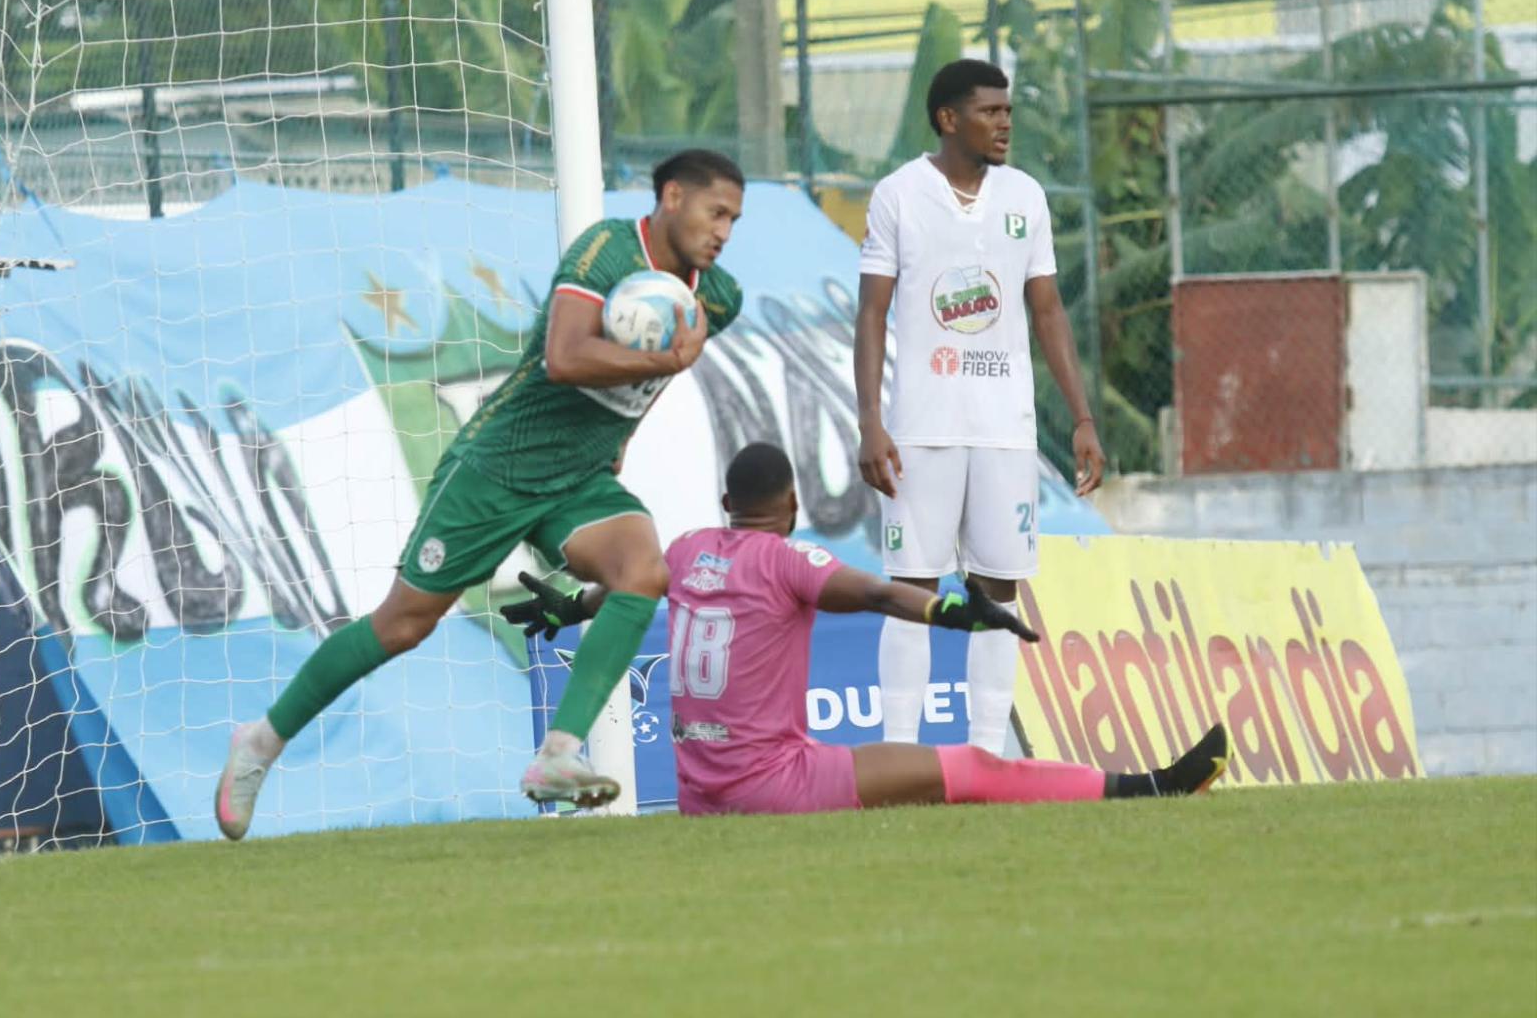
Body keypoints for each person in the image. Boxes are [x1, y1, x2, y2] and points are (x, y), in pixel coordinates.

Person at [214, 149, 748, 840]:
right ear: (672, 196)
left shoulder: (718, 294)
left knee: (642, 571)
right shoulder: (606, 252)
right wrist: (665, 359)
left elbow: (654, 377)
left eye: (734, 218)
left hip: (580, 478)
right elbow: (565, 356)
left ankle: (559, 754)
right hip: (498, 466)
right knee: (403, 623)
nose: (725, 230)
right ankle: (259, 743)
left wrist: (626, 432)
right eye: (717, 212)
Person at [505, 443, 1226, 815]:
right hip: (774, 785)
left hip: (703, 792)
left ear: (727, 502)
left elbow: (628, 587)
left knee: (886, 770)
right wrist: (952, 609)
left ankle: (1150, 786)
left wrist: (569, 607)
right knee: (973, 769)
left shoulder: (690, 547)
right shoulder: (790, 559)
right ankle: (1150, 788)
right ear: (790, 504)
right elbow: (878, 593)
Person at [854, 59, 1106, 755]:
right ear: (948, 118)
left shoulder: (1025, 196)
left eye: (1007, 112)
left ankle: (988, 752)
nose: (1004, 124)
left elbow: (1047, 308)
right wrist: (871, 421)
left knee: (1001, 587)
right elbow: (871, 312)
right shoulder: (898, 194)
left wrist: (1083, 417)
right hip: (919, 428)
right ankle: (898, 751)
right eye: (990, 112)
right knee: (911, 587)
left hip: (1004, 430)